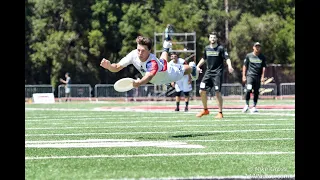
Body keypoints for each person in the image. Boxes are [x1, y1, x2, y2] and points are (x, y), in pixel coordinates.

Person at [99, 27, 200, 90]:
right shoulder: (133, 54)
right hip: (161, 66)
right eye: (138, 49)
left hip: (168, 74)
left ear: (149, 50)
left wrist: (139, 82)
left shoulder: (152, 62)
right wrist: (109, 66)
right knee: (163, 59)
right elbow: (116, 67)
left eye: (143, 51)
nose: (139, 53)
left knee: (183, 70)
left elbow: (148, 77)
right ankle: (166, 44)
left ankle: (193, 68)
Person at [195, 31, 234, 119]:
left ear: (216, 39)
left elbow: (227, 58)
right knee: (201, 91)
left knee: (217, 92)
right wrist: (197, 66)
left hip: (217, 73)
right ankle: (205, 110)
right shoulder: (206, 48)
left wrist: (230, 66)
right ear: (209, 39)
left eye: (214, 37)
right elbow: (204, 58)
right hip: (208, 73)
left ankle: (220, 112)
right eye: (211, 37)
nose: (212, 39)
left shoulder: (221, 48)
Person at [242, 42, 266, 113]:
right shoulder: (248, 56)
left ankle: (254, 107)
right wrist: (243, 76)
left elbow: (263, 68)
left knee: (256, 92)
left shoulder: (262, 57)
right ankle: (246, 105)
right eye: (256, 46)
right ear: (253, 47)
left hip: (257, 77)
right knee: (248, 90)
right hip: (250, 76)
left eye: (258, 46)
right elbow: (245, 66)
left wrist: (262, 77)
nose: (257, 48)